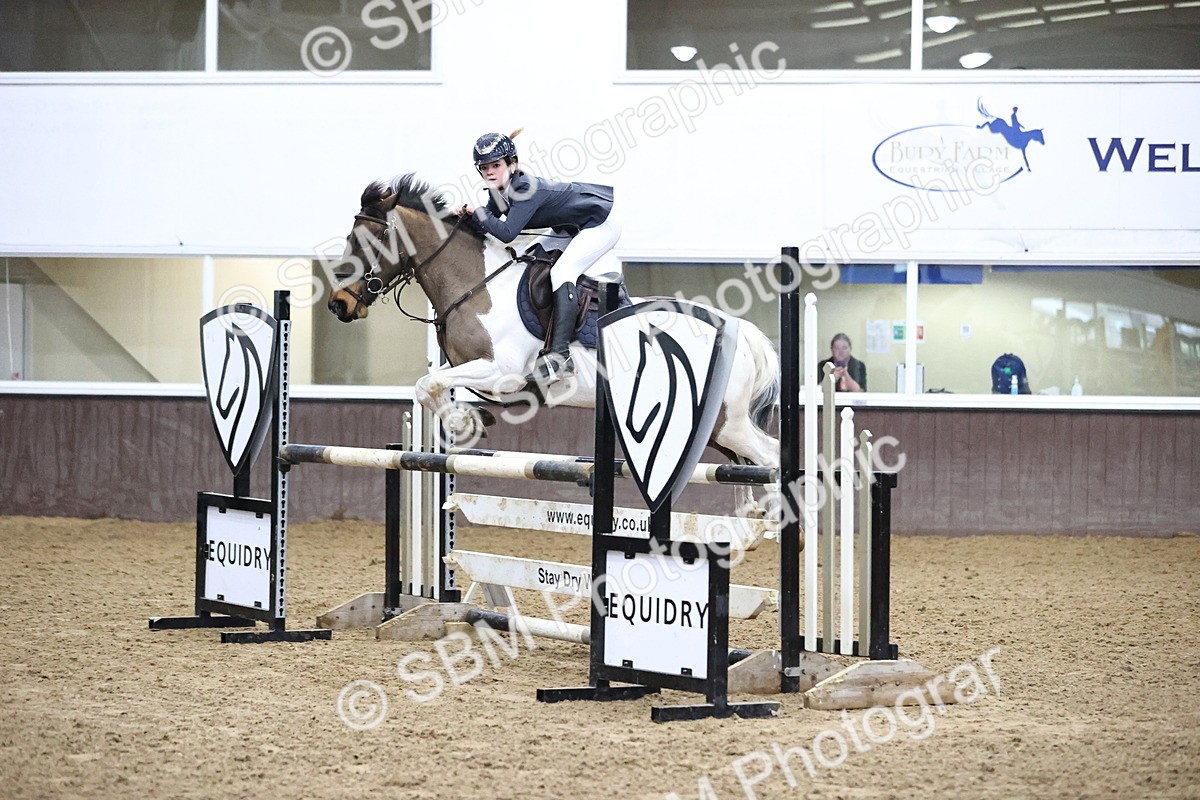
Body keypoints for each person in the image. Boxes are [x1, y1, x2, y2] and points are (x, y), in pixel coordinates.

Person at [458, 131, 620, 385]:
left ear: (512, 164)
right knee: (527, 258)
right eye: (484, 167)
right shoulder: (499, 192)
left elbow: (507, 233)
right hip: (567, 228)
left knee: (562, 272)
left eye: (496, 165)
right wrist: (464, 218)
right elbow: (488, 224)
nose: (490, 172)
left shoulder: (524, 188)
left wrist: (477, 212)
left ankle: (560, 357)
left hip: (600, 224)